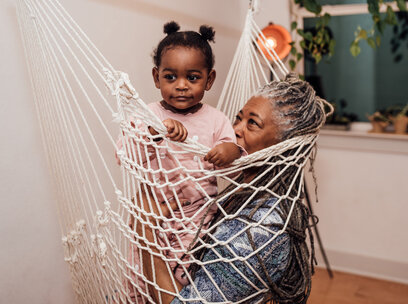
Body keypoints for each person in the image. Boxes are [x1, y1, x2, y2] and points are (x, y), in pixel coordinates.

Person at [135, 74, 331, 304]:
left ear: (283, 147)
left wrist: (143, 232)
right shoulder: (242, 197)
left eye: (252, 123)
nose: (235, 129)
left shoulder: (260, 230)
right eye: (238, 118)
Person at [118, 21, 242, 298]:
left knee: (184, 279)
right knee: (142, 274)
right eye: (170, 77)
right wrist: (153, 134)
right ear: (156, 77)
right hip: (153, 215)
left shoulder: (216, 119)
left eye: (193, 77)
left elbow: (235, 163)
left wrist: (229, 151)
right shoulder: (148, 115)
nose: (181, 86)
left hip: (196, 219)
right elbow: (124, 154)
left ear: (209, 80)